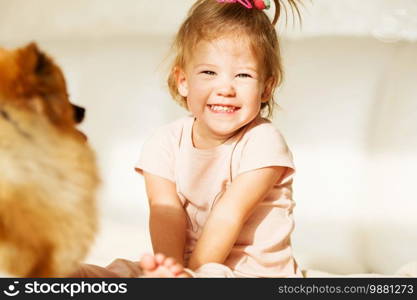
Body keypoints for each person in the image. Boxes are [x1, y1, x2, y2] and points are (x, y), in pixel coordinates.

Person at [71, 0, 303, 278]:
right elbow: (165, 212)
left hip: (251, 275)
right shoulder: (164, 142)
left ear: (265, 88)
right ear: (183, 81)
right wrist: (168, 271)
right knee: (119, 270)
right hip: (189, 270)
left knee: (212, 275)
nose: (225, 88)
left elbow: (229, 214)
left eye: (243, 75)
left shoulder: (263, 141)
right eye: (209, 72)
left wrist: (190, 276)